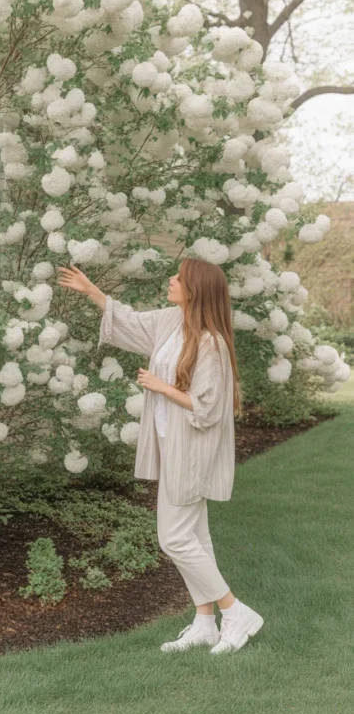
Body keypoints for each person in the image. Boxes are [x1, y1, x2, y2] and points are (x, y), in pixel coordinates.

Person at [57, 258, 264, 654]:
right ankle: (205, 623)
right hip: (173, 447)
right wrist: (92, 291)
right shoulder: (174, 323)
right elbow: (133, 322)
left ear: (195, 290)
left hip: (193, 453)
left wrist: (160, 385)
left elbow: (206, 407)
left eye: (179, 278)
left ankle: (235, 611)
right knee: (195, 538)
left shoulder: (211, 343)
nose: (171, 280)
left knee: (173, 539)